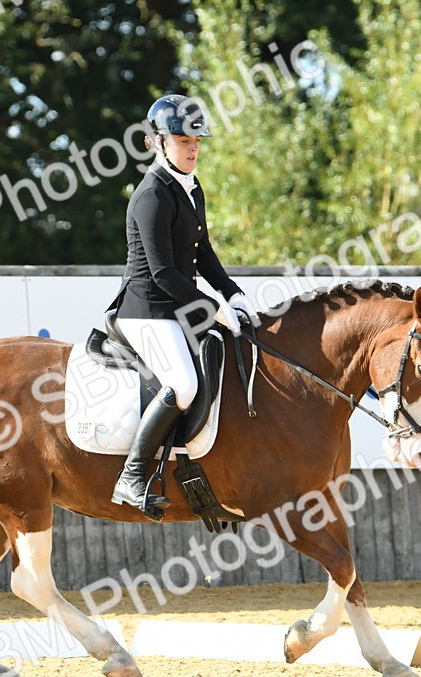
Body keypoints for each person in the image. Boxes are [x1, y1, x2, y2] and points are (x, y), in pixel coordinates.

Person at [105, 94, 260, 516]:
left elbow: (202, 252)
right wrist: (212, 309)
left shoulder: (191, 189)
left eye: (197, 139)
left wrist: (231, 292)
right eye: (181, 139)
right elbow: (163, 274)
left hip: (175, 306)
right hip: (146, 310)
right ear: (157, 142)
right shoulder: (151, 196)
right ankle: (132, 476)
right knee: (186, 385)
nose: (192, 147)